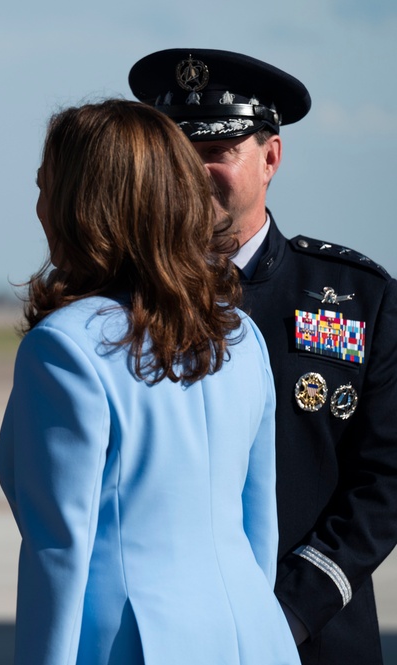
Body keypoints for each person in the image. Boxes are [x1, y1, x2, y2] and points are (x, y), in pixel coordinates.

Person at [0, 99, 301, 665]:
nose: (39, 207)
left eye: (47, 188)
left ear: (81, 207)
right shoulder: (240, 336)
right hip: (255, 637)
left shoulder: (66, 348)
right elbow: (259, 532)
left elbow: (60, 556)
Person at [129, 49, 397, 665]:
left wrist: (291, 612)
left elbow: (382, 480)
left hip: (315, 633)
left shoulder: (357, 298)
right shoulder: (122, 303)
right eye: (178, 154)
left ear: (270, 157)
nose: (194, 172)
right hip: (167, 638)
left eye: (217, 151)